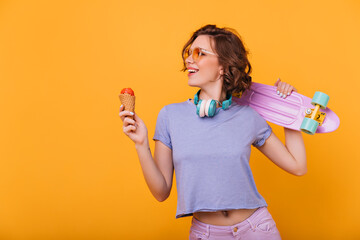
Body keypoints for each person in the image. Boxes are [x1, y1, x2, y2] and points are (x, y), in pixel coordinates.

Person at [119, 24, 306, 240]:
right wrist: (141, 144)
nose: (189, 59)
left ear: (223, 67)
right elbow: (161, 192)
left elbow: (298, 166)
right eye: (189, 53)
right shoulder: (170, 116)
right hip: (207, 234)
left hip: (257, 230)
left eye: (200, 53)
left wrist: (290, 112)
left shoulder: (248, 116)